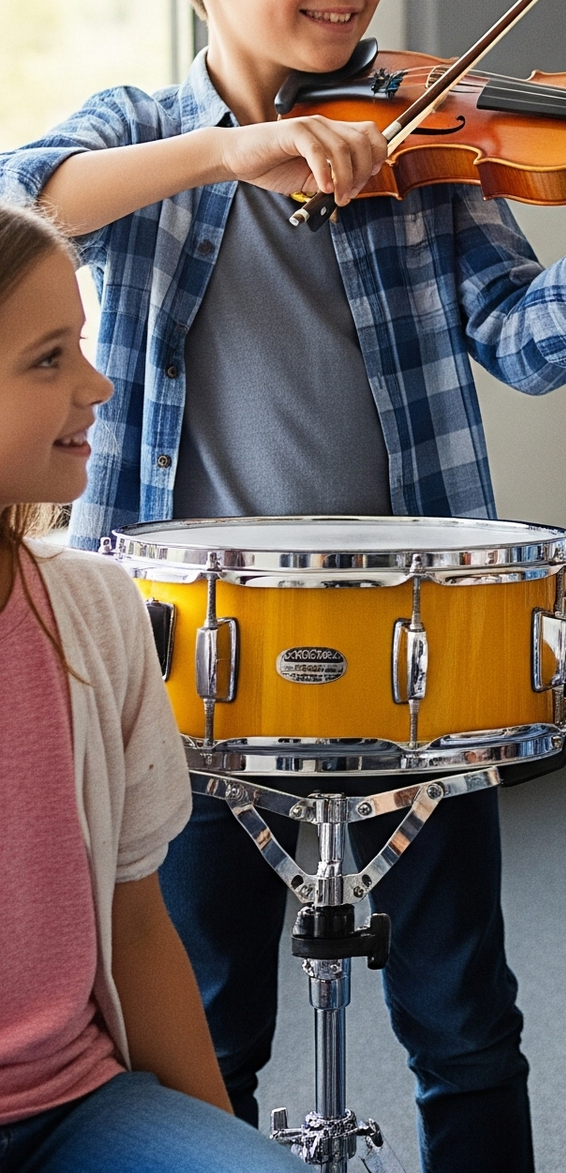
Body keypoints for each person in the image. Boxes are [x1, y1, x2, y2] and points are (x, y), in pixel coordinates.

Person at [0, 0, 566, 1173]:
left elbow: (531, 343)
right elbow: (22, 199)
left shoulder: (422, 139)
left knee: (464, 1018)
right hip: (192, 648)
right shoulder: (143, 134)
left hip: (415, 631)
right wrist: (231, 152)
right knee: (210, 1010)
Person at [0, 199, 292, 1172]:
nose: (97, 384)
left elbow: (136, 927)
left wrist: (228, 1150)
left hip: (76, 1101)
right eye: (49, 360)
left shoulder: (96, 610)